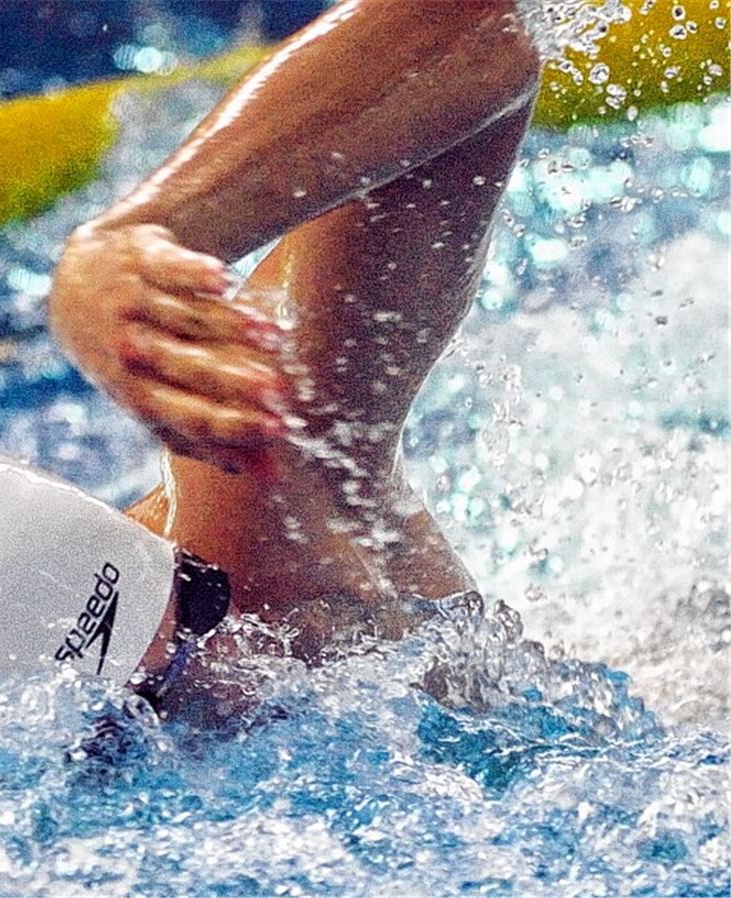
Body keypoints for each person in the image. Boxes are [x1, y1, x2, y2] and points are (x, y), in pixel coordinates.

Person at [49, 0, 543, 692]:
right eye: (155, 694)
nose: (233, 652)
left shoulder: (253, 506)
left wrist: (151, 228)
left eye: (197, 603)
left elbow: (477, 26)